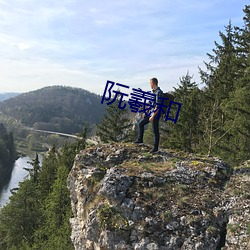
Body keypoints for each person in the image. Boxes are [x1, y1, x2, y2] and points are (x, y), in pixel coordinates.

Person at [134, 78, 163, 153]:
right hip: (150, 112)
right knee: (141, 123)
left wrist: (153, 116)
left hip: (156, 114)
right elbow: (151, 104)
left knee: (155, 130)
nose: (150, 85)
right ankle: (140, 140)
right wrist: (146, 112)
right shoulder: (153, 92)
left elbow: (158, 106)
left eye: (150, 83)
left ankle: (155, 148)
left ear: (153, 83)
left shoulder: (159, 92)